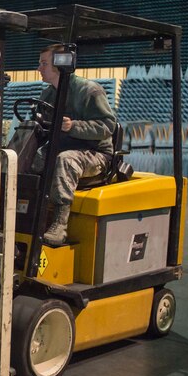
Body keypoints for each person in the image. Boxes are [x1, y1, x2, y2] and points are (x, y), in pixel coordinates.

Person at [36, 44, 117, 246]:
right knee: (29, 158)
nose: (39, 68)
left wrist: (73, 126)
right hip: (63, 147)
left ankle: (59, 224)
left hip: (95, 153)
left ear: (58, 66)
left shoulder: (89, 91)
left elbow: (108, 126)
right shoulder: (47, 95)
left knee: (65, 161)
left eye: (44, 63)